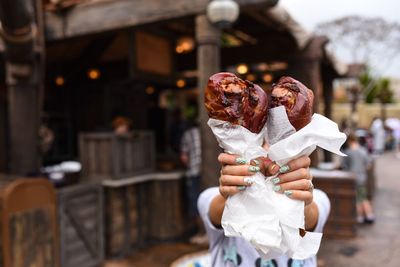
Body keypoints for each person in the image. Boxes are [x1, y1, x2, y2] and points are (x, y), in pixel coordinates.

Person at [198, 150, 331, 267]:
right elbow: (215, 213)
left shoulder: (319, 198)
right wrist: (233, 189)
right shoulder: (210, 196)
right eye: (260, 139)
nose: (267, 150)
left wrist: (300, 198)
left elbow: (311, 218)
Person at [341, 133, 375, 224]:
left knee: (359, 199)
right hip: (362, 177)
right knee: (362, 197)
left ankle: (361, 216)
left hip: (352, 178)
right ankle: (368, 215)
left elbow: (344, 166)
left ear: (349, 141)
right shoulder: (363, 150)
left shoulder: (348, 152)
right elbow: (368, 165)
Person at [180, 114, 203, 240]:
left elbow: (184, 157)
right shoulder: (210, 134)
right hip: (210, 173)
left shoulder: (187, 134)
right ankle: (209, 233)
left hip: (194, 172)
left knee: (196, 201)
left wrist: (189, 165)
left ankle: (200, 232)